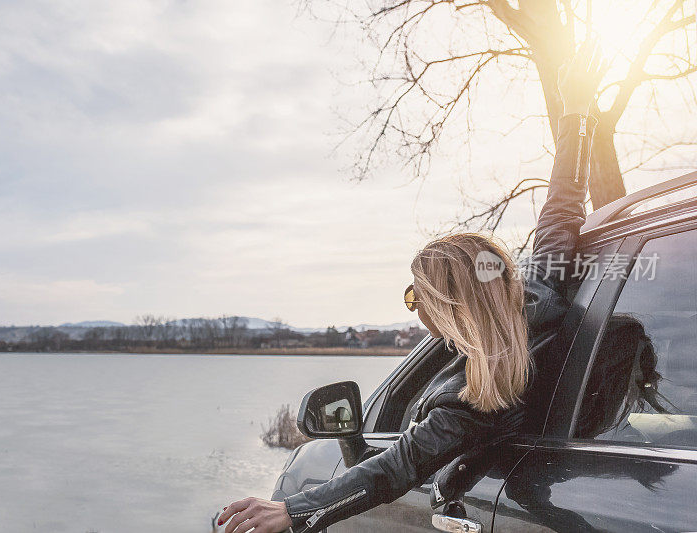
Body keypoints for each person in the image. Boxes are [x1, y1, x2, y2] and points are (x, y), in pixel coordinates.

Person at [217, 38, 609, 533]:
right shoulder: (543, 293)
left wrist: (293, 510)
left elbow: (396, 469)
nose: (415, 313)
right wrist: (576, 116)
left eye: (416, 298)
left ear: (451, 305)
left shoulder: (470, 403)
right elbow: (562, 205)